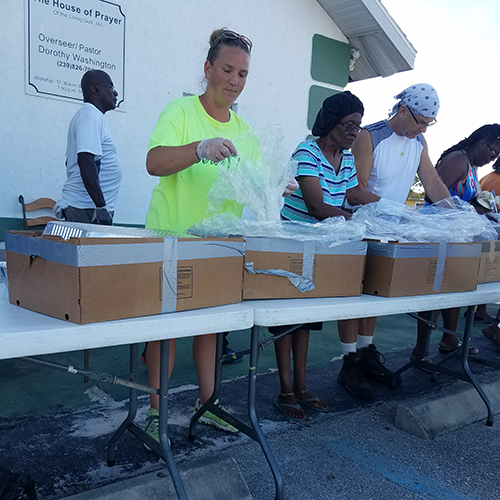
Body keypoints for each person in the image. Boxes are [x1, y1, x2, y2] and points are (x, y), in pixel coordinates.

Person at [143, 29, 296, 440]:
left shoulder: (245, 129)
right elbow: (154, 162)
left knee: (211, 328)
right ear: (208, 68)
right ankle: (157, 413)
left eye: (243, 74)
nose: (234, 80)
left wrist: (277, 184)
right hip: (171, 238)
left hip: (218, 243)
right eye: (227, 69)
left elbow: (256, 179)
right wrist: (198, 148)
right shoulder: (180, 111)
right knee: (166, 332)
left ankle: (207, 404)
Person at [271, 91, 381, 419]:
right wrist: (357, 222)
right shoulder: (307, 151)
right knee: (286, 324)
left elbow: (351, 195)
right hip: (292, 247)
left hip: (320, 250)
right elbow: (317, 206)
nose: (354, 132)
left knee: (307, 323)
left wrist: (386, 211)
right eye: (348, 125)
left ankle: (302, 387)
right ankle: (284, 390)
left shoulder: (346, 159)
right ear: (331, 123)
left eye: (358, 127)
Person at [344, 83, 451, 386]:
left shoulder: (418, 143)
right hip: (363, 228)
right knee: (356, 296)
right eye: (420, 122)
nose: (424, 130)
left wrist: (455, 210)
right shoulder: (370, 136)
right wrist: (395, 209)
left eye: (429, 124)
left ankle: (366, 352)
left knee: (376, 294)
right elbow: (355, 191)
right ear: (403, 110)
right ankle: (349, 359)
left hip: (391, 230)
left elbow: (431, 181)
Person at [414, 125, 500, 357]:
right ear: (482, 142)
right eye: (493, 152)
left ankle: (449, 338)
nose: (493, 158)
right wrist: (467, 209)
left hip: (457, 237)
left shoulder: (471, 166)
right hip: (440, 235)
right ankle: (420, 350)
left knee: (456, 288)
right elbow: (433, 193)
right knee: (434, 293)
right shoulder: (458, 159)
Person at [55, 70, 121, 225]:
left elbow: (71, 162)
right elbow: (85, 161)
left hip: (88, 209)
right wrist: (101, 206)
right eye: (110, 87)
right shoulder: (90, 115)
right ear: (95, 89)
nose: (115, 93)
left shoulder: (90, 116)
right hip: (87, 209)